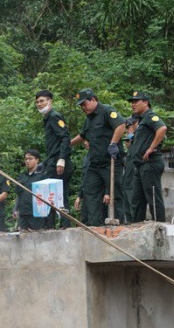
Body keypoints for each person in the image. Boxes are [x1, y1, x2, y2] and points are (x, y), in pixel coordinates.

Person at [70, 89, 127, 226]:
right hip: (94, 163)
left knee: (115, 194)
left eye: (84, 104)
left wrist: (113, 143)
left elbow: (120, 125)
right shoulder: (89, 119)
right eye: (81, 106)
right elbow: (83, 135)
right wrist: (68, 144)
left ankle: (118, 224)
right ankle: (94, 225)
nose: (83, 108)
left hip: (110, 161)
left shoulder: (107, 111)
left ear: (93, 99)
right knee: (90, 192)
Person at [35, 90, 73, 228]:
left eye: (42, 101)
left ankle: (65, 223)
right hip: (52, 161)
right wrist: (44, 162)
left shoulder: (54, 116)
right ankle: (49, 225)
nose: (39, 104)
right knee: (49, 194)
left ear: (50, 101)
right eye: (37, 102)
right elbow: (54, 146)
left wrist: (62, 159)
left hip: (60, 163)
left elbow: (65, 138)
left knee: (60, 194)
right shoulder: (47, 118)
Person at [127, 91, 167, 222]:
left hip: (151, 163)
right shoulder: (140, 120)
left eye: (136, 101)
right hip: (140, 165)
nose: (133, 104)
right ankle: (136, 226)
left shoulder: (150, 116)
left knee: (153, 197)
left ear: (145, 102)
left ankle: (159, 226)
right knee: (137, 200)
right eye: (132, 102)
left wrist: (151, 148)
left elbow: (162, 128)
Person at [13, 149, 47, 231]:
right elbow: (18, 194)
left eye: (30, 159)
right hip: (23, 213)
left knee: (37, 237)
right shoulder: (22, 177)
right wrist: (15, 209)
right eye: (26, 159)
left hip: (37, 214)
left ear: (37, 160)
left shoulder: (42, 176)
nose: (27, 161)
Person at [122, 116, 140, 224]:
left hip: (134, 182)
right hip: (127, 182)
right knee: (127, 211)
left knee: (134, 208)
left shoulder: (138, 143)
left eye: (128, 127)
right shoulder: (130, 148)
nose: (126, 131)